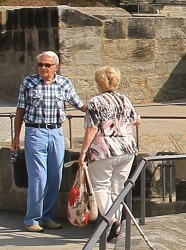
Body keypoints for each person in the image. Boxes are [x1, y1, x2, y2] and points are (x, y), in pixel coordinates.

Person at [11, 51, 84, 233]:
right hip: (36, 131)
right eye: (41, 65)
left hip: (56, 132)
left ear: (56, 67)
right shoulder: (29, 83)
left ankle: (47, 216)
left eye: (47, 65)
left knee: (55, 177)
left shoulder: (64, 83)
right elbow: (20, 110)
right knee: (38, 177)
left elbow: (80, 105)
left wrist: (104, 103)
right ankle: (32, 219)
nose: (43, 68)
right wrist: (16, 137)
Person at [78, 66, 140, 239]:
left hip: (103, 149)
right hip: (127, 148)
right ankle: (116, 225)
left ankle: (111, 220)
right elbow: (138, 120)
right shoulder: (124, 99)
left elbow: (91, 128)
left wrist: (83, 153)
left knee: (100, 186)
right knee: (118, 187)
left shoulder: (95, 102)